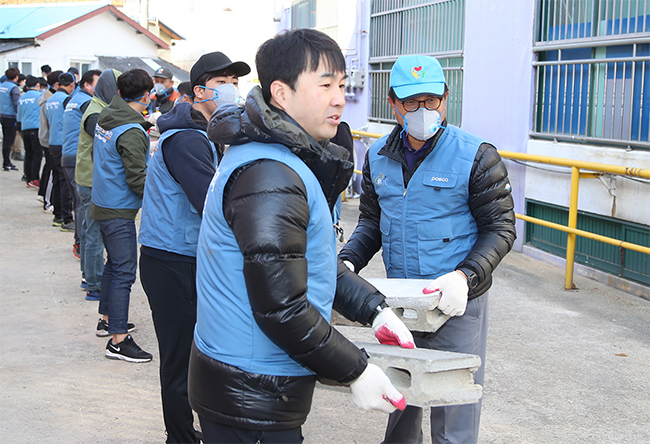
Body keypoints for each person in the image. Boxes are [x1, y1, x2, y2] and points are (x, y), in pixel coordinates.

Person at [189, 29, 415, 444]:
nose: (339, 98)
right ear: (281, 93)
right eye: (325, 85)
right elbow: (281, 306)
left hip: (252, 386)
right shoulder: (269, 175)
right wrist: (356, 369)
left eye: (343, 85)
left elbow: (304, 263)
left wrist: (374, 310)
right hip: (251, 393)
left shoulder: (278, 158)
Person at [339, 54, 517, 444]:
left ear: (445, 98)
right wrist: (348, 260)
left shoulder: (476, 155)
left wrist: (464, 276)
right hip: (401, 301)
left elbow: (501, 228)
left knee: (454, 409)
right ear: (393, 104)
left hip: (455, 302)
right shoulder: (377, 157)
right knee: (400, 396)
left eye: (431, 100)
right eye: (411, 103)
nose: (423, 111)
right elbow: (371, 221)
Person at [138, 51, 250, 444]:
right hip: (172, 260)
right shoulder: (188, 138)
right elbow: (210, 202)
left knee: (191, 353)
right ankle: (181, 438)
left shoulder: (204, 133)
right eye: (222, 83)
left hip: (181, 256)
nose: (232, 90)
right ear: (199, 90)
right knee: (180, 358)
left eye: (235, 82)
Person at [91, 68, 153, 363]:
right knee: (125, 270)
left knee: (113, 265)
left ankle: (107, 319)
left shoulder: (106, 116)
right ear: (147, 96)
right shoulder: (131, 130)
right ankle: (118, 340)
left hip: (102, 201)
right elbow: (137, 179)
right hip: (118, 210)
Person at [76, 69, 121, 301]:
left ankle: (89, 277)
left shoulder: (100, 108)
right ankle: (94, 282)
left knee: (88, 231)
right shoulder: (95, 113)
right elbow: (110, 138)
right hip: (91, 181)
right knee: (94, 233)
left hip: (89, 179)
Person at [62, 69, 101, 259]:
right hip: (78, 157)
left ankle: (79, 243)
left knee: (78, 203)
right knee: (82, 206)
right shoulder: (88, 104)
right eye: (98, 83)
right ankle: (80, 244)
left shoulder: (73, 99)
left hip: (67, 154)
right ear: (87, 84)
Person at [44, 72, 76, 230]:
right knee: (66, 183)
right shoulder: (67, 100)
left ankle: (57, 216)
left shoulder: (49, 100)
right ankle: (67, 219)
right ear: (71, 85)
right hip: (64, 144)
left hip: (52, 144)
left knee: (57, 179)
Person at [38, 70, 63, 212]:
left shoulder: (50, 97)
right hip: (49, 139)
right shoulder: (50, 100)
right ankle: (47, 200)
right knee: (51, 171)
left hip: (51, 138)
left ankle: (47, 197)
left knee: (51, 170)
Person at [16, 76, 44, 188]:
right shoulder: (39, 96)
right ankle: (35, 179)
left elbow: (18, 116)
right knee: (37, 153)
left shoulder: (21, 98)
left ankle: (27, 176)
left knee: (28, 153)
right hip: (36, 127)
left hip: (24, 127)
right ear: (37, 85)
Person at [0, 67, 21, 171]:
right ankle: (7, 163)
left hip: (2, 115)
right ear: (16, 77)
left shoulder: (2, 86)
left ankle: (6, 161)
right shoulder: (14, 88)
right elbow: (16, 104)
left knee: (5, 140)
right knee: (9, 140)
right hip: (11, 117)